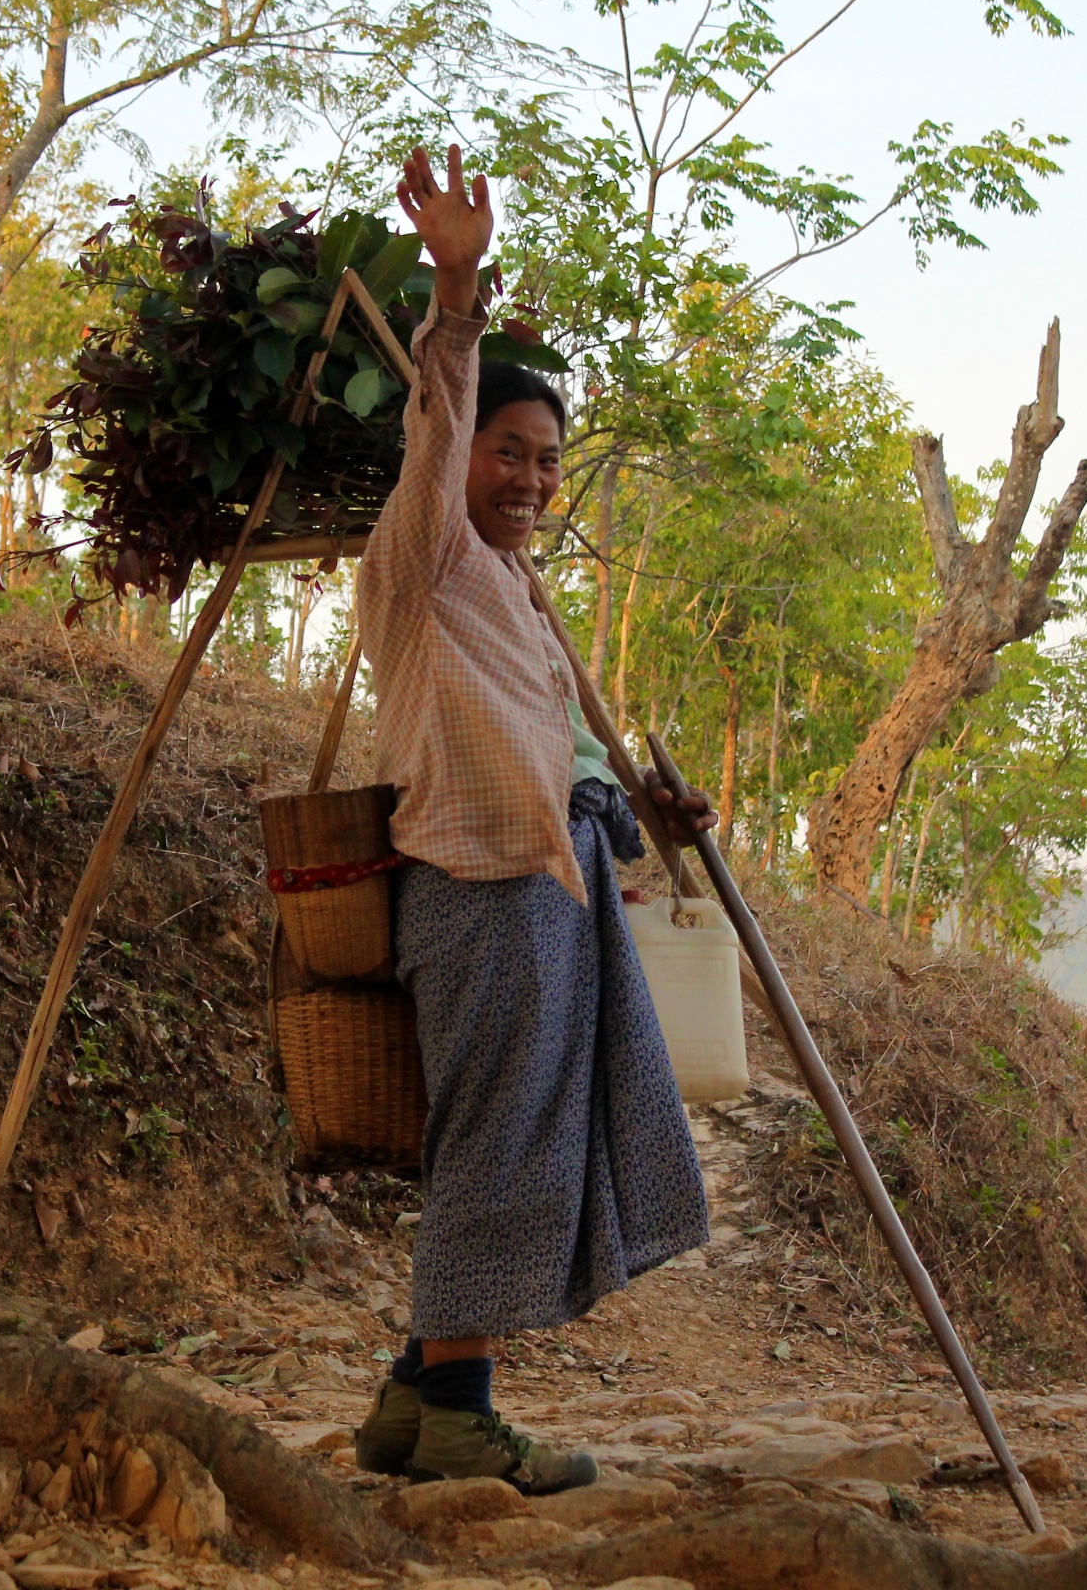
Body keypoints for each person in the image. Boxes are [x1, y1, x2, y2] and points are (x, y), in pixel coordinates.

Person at [348, 145, 716, 1493]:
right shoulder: (430, 554)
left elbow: (562, 752)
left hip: (547, 898)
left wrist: (646, 809)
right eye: (511, 452)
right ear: (462, 464)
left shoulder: (518, 593)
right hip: (474, 890)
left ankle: (408, 1405)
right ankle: (463, 1421)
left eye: (549, 460)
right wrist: (455, 291)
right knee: (498, 1152)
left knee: (522, 1146)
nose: (530, 478)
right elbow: (437, 423)